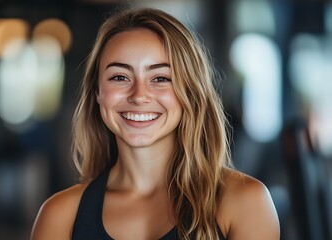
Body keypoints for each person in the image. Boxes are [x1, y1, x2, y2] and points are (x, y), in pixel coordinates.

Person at [31, 7, 280, 240]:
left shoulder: (245, 202)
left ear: (190, 92)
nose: (139, 95)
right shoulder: (60, 216)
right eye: (120, 77)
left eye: (160, 78)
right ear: (98, 92)